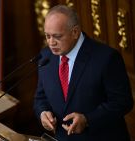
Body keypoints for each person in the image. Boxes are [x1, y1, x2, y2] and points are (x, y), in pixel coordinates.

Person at [34, 5, 134, 141]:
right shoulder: (45, 56)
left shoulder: (106, 57)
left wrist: (88, 119)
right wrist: (43, 113)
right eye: (47, 36)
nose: (51, 43)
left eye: (57, 36)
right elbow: (41, 97)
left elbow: (123, 102)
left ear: (75, 32)